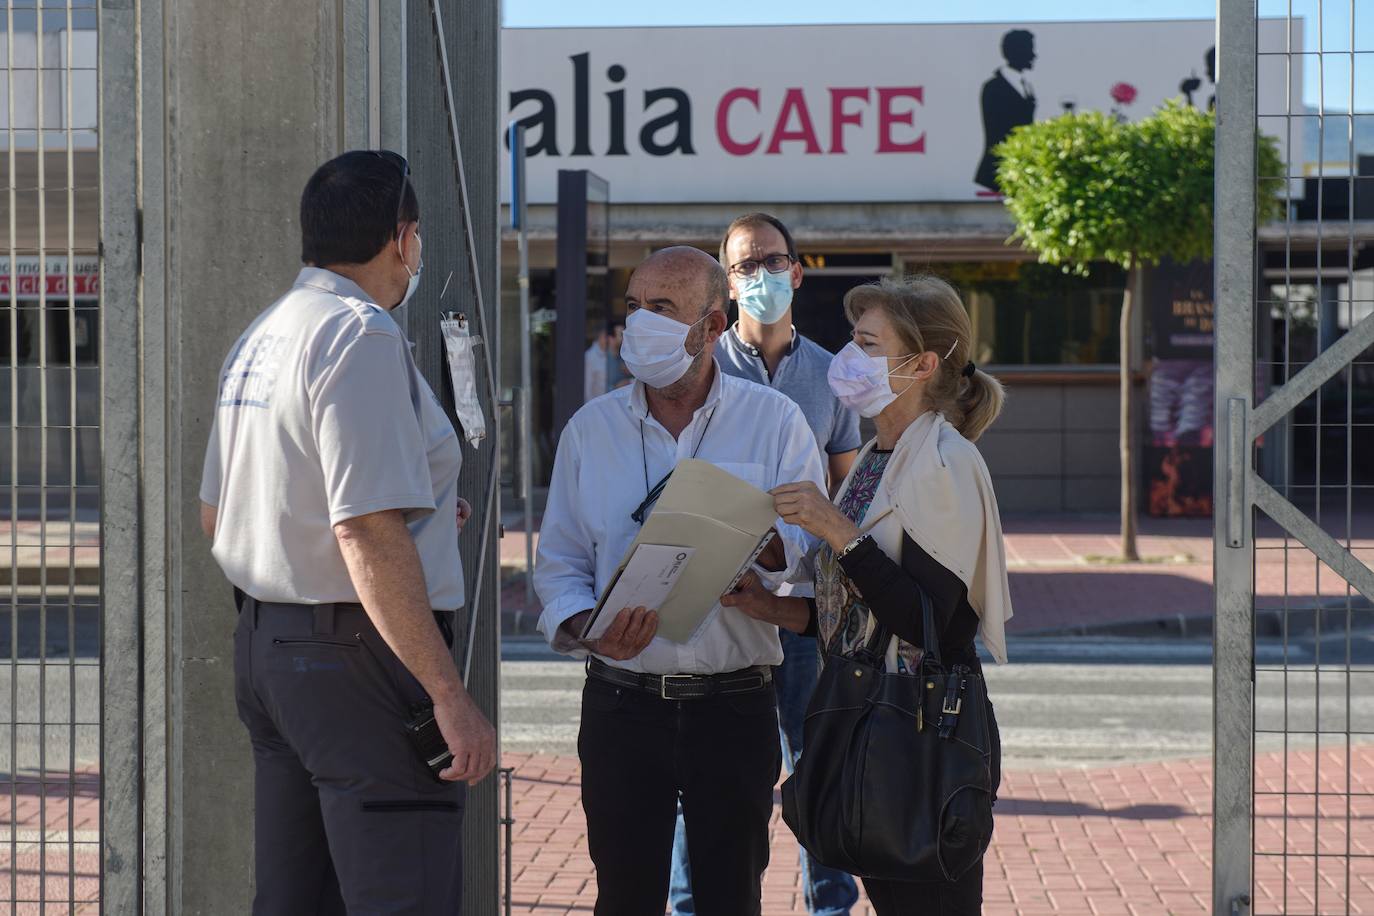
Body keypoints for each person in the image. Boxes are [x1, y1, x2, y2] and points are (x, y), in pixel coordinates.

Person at [199, 150, 495, 915]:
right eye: (418, 239)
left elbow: (219, 511)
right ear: (402, 239)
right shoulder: (358, 334)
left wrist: (413, 519)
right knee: (403, 889)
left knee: (298, 897)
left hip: (272, 647)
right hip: (357, 655)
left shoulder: (265, 335)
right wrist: (447, 694)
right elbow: (365, 530)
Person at [533, 246, 826, 915]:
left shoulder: (773, 421)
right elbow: (559, 564)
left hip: (736, 705)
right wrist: (590, 630)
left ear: (712, 326)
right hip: (621, 705)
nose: (640, 323)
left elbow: (814, 550)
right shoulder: (591, 430)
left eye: (662, 309)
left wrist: (771, 551)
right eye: (633, 307)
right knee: (626, 898)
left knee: (730, 897)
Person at [730, 275, 1013, 915]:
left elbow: (930, 621)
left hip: (920, 741)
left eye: (865, 341)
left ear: (921, 365)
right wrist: (772, 607)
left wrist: (835, 530)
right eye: (851, 338)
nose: (848, 356)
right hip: (870, 725)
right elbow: (857, 618)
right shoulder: (876, 456)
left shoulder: (944, 459)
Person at [668, 213, 860, 916]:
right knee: (710, 775)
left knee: (817, 767)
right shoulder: (702, 368)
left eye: (770, 262)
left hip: (804, 609)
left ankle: (830, 905)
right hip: (723, 604)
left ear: (796, 270)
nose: (759, 278)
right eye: (744, 267)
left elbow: (847, 491)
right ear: (725, 281)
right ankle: (694, 905)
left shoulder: (833, 374)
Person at [974, 29, 1037, 193]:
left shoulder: (1026, 86)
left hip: (1019, 168)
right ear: (1016, 51)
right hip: (997, 172)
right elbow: (996, 131)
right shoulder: (993, 87)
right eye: (1030, 49)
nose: (1034, 55)